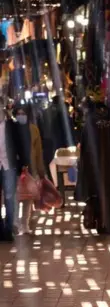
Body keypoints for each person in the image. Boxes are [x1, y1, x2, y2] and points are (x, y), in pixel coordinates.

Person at [14, 104, 45, 235]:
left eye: (23, 113)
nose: (21, 116)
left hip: (30, 168)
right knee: (16, 197)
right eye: (18, 114)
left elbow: (38, 152)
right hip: (15, 168)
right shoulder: (12, 129)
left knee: (28, 198)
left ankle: (25, 224)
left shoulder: (33, 129)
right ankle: (15, 223)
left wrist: (40, 171)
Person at [0, 98, 27, 242]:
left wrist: (23, 163)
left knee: (10, 197)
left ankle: (8, 229)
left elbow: (20, 144)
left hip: (9, 164)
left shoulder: (12, 125)